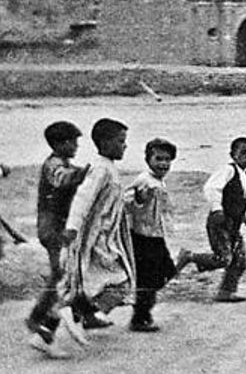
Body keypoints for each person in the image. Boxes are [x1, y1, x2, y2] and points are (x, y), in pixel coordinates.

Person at [55, 118, 136, 347]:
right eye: (121, 141)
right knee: (121, 281)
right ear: (105, 142)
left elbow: (113, 199)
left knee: (94, 281)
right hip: (94, 238)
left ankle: (80, 318)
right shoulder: (100, 168)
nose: (125, 146)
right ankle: (80, 313)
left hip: (104, 237)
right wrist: (72, 227)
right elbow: (83, 198)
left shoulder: (108, 167)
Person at [25, 121, 97, 359]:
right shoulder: (54, 165)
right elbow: (63, 179)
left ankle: (37, 318)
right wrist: (85, 172)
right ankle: (45, 331)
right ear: (58, 144)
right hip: (53, 229)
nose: (76, 145)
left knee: (59, 275)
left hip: (54, 228)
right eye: (71, 142)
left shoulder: (62, 162)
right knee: (64, 277)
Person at [175, 137, 246, 303]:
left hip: (234, 224)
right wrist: (217, 208)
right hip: (219, 222)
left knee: (240, 261)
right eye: (244, 153)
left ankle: (226, 291)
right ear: (233, 155)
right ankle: (190, 256)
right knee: (224, 259)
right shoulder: (228, 171)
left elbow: (238, 203)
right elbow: (212, 188)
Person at [124, 137, 181, 332]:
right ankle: (140, 317)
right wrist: (140, 198)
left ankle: (142, 312)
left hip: (155, 235)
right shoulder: (144, 180)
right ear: (148, 160)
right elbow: (128, 201)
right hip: (143, 237)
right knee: (150, 278)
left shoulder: (157, 181)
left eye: (167, 160)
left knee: (164, 272)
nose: (164, 164)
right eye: (159, 159)